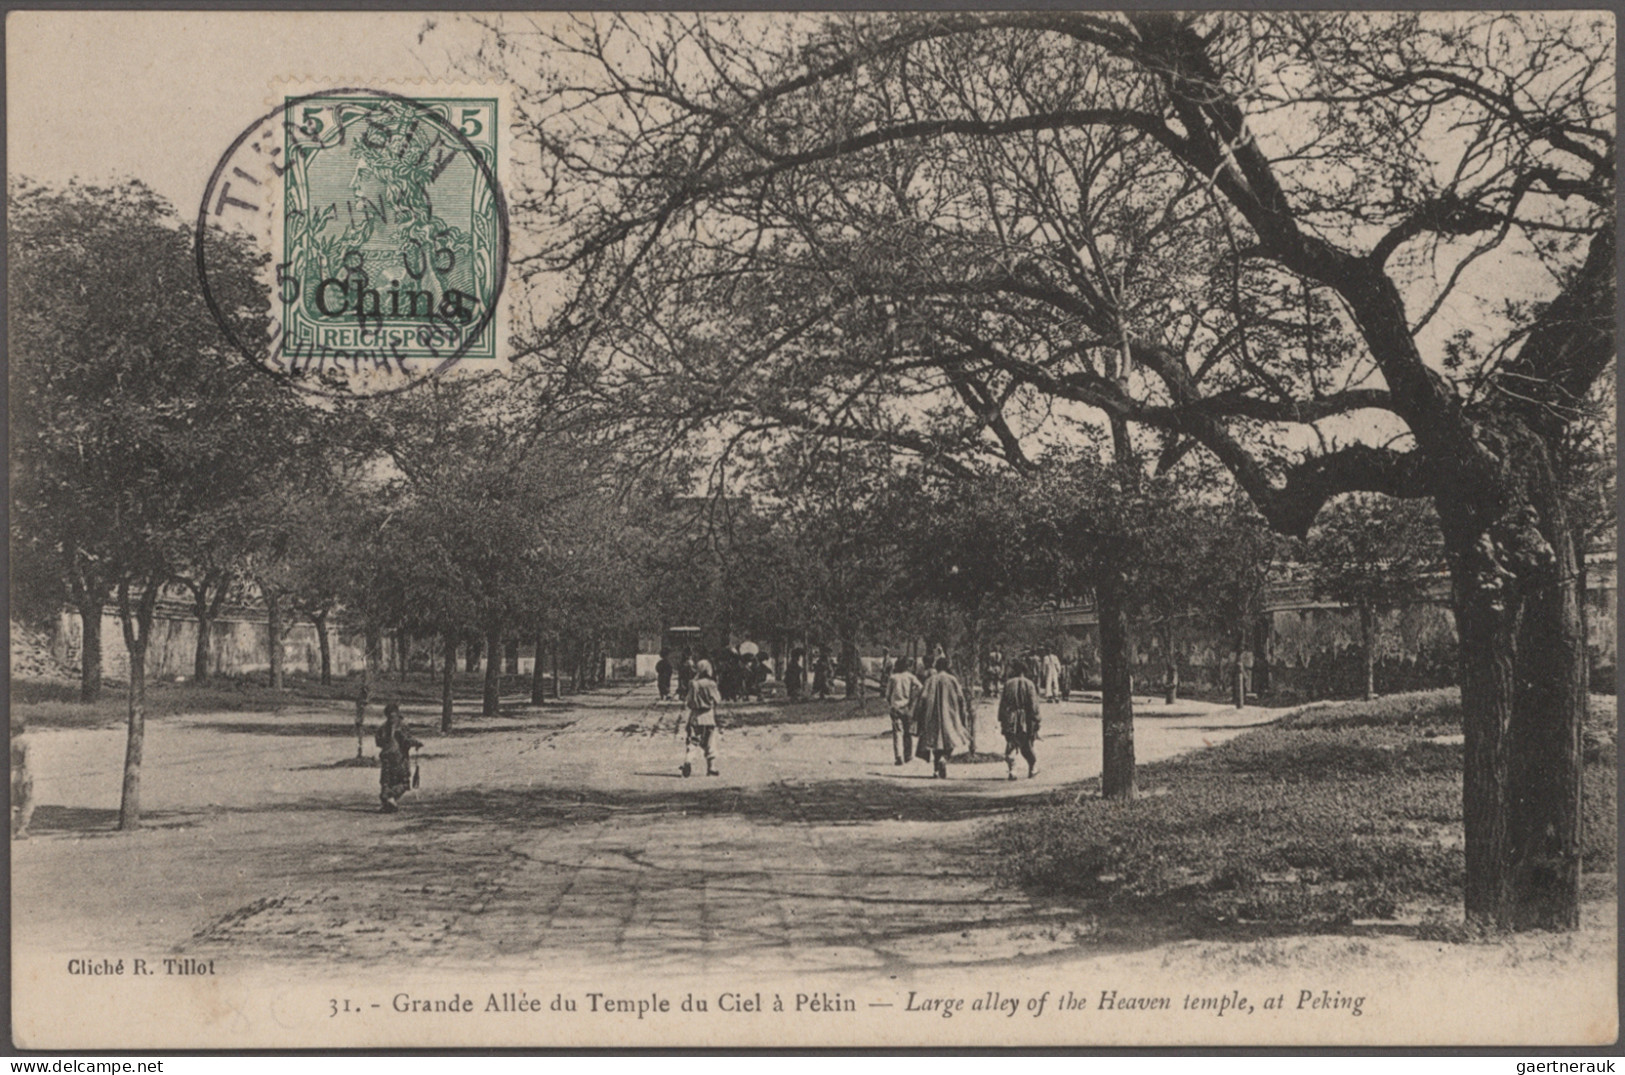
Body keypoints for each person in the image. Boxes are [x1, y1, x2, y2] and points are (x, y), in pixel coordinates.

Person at [914, 656, 971, 779]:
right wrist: (962, 713)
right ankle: (944, 758)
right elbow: (961, 698)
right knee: (952, 739)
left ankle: (935, 769)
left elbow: (923, 698)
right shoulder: (952, 680)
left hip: (932, 715)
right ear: (947, 666)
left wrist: (920, 714)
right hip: (950, 714)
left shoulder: (930, 680)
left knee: (935, 742)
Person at [677, 659, 724, 777]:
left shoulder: (693, 684)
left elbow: (688, 701)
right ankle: (711, 768)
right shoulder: (711, 684)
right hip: (709, 716)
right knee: (710, 743)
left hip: (695, 716)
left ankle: (688, 761)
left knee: (693, 740)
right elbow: (718, 700)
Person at [998, 658, 1042, 781]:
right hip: (1025, 720)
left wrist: (1002, 718)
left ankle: (1012, 770)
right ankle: (1032, 768)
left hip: (1010, 717)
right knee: (1027, 745)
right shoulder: (1029, 684)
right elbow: (1033, 705)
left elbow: (1003, 703)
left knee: (1011, 744)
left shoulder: (1008, 684)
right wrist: (1036, 719)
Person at [374, 703, 422, 813]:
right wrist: (416, 743)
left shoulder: (382, 728)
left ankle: (387, 802)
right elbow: (406, 741)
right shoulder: (401, 727)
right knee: (404, 782)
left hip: (386, 757)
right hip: (399, 759)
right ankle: (390, 798)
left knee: (386, 781)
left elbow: (378, 742)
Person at [884, 656, 923, 766]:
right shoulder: (910, 677)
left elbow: (887, 694)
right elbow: (920, 687)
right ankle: (908, 755)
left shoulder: (893, 678)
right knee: (908, 732)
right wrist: (912, 697)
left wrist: (891, 701)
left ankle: (898, 757)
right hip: (907, 707)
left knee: (897, 732)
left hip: (895, 707)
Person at [11, 714, 33, 839]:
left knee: (10, 802)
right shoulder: (24, 742)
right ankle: (21, 829)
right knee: (26, 801)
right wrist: (28, 775)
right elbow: (27, 761)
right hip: (20, 773)